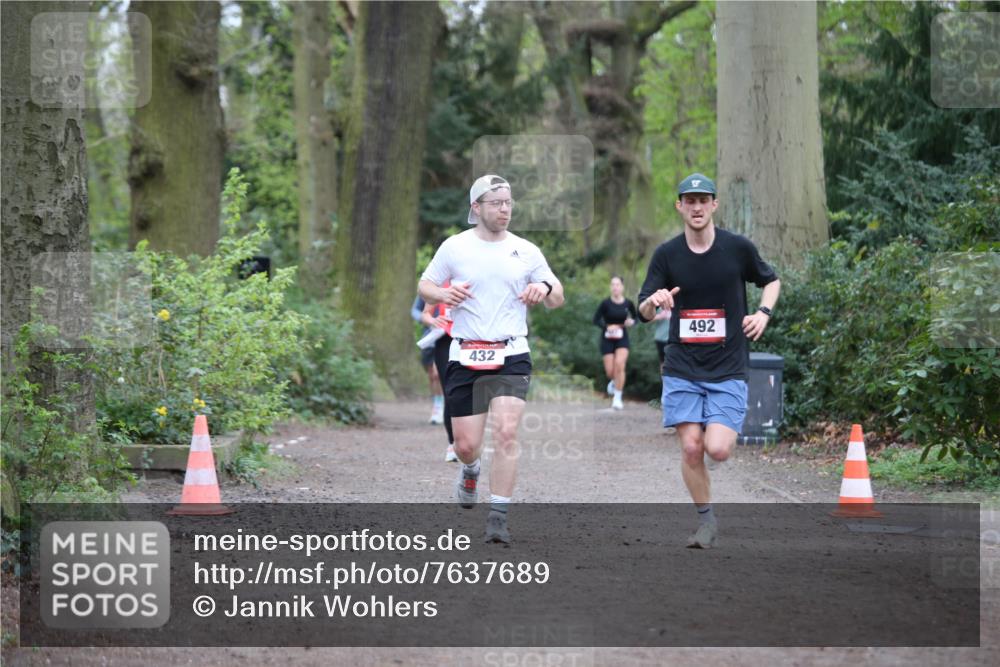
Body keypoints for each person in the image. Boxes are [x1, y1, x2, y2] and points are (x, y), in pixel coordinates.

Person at [418, 174, 564, 544]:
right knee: (466, 444)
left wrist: (544, 287)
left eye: (509, 203)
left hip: (511, 351)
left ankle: (498, 515)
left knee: (507, 430)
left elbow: (558, 294)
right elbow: (425, 285)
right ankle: (471, 469)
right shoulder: (455, 247)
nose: (504, 209)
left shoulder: (526, 250)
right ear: (476, 208)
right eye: (497, 203)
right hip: (464, 351)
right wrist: (444, 293)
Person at [637, 173, 780, 549]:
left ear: (714, 205)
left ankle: (709, 459)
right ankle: (706, 522)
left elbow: (772, 279)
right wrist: (656, 301)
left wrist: (763, 312)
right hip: (682, 365)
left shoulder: (737, 249)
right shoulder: (666, 255)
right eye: (690, 201)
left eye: (704, 200)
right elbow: (643, 310)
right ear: (680, 207)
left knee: (717, 449)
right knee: (689, 447)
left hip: (728, 364)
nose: (697, 207)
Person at [419, 291, 458, 462]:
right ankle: (452, 443)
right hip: (445, 340)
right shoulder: (441, 282)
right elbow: (425, 314)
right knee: (450, 393)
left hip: (472, 339)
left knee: (470, 392)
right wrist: (433, 321)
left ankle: (470, 440)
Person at [592, 276, 637, 410]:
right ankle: (613, 381)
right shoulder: (605, 303)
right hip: (607, 338)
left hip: (622, 337)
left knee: (620, 365)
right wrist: (606, 327)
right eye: (613, 285)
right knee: (610, 371)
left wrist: (631, 322)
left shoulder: (628, 303)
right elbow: (596, 319)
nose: (615, 287)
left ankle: (617, 398)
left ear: (622, 287)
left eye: (617, 285)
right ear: (610, 287)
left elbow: (635, 318)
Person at [411, 295, 444, 424]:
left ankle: (442, 407)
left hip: (448, 336)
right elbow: (415, 311)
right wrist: (428, 320)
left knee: (438, 374)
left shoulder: (456, 283)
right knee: (432, 374)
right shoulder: (428, 286)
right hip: (429, 336)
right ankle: (438, 404)